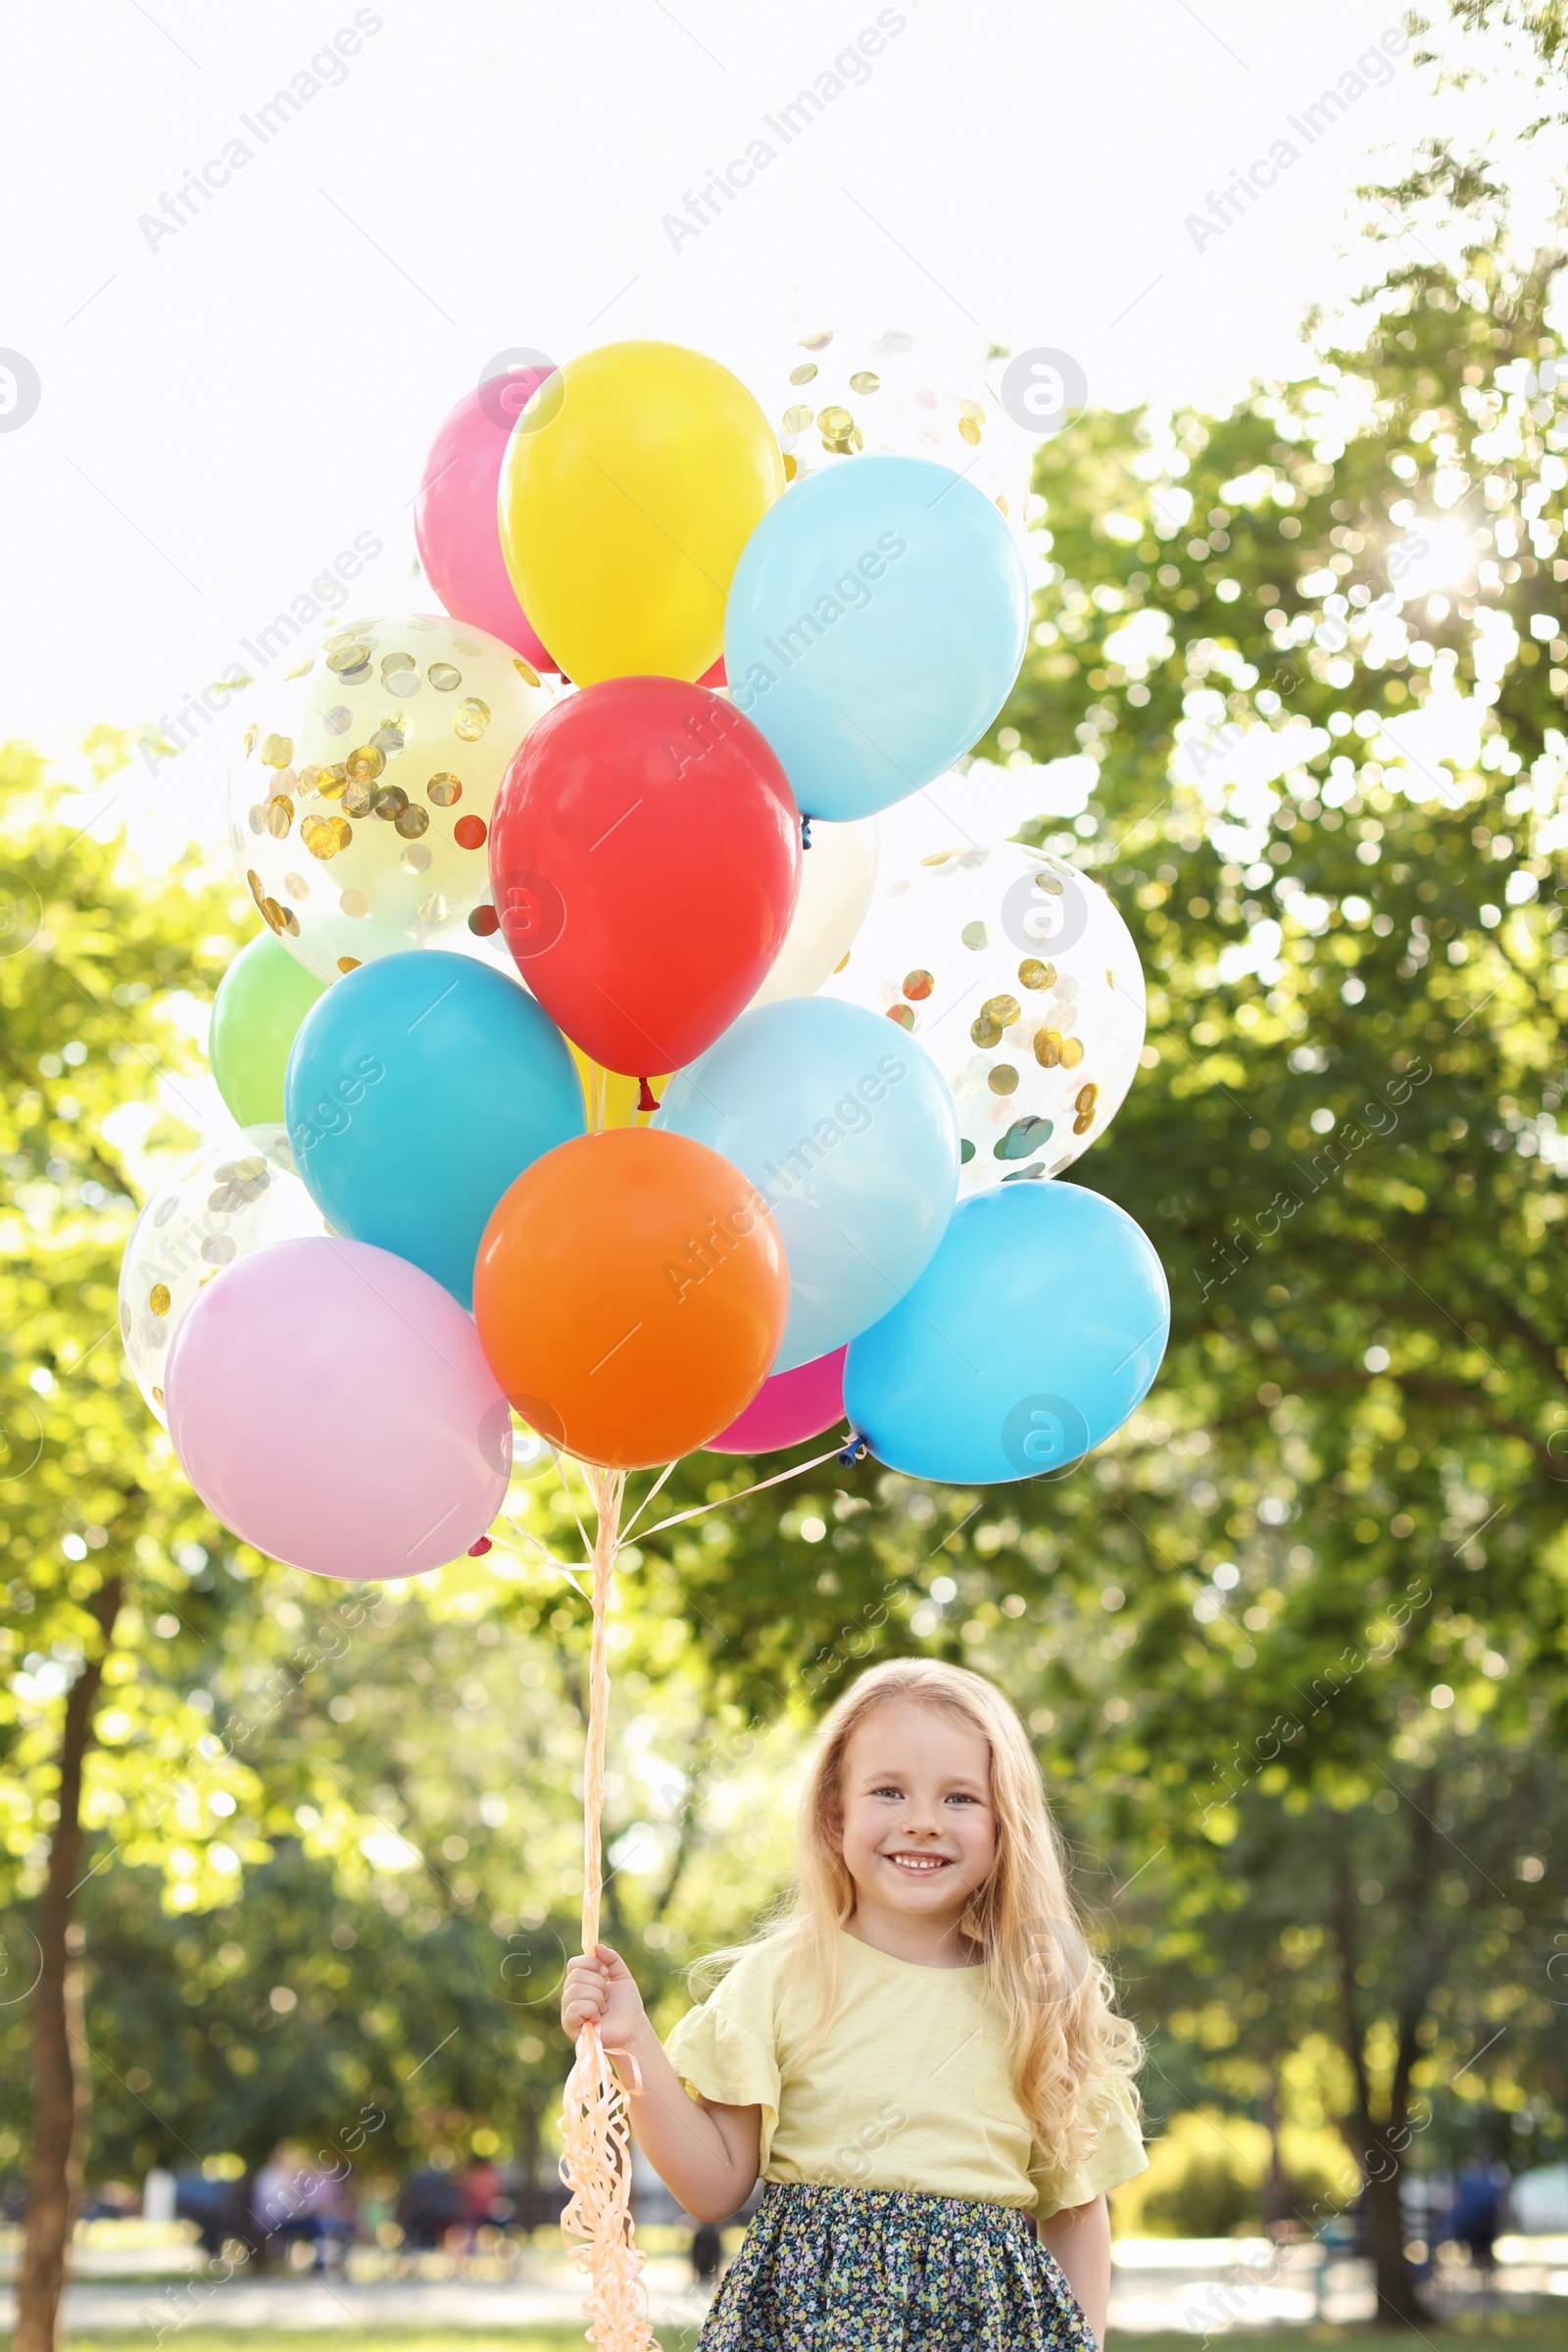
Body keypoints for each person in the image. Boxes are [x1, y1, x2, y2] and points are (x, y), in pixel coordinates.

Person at [564, 1658, 1146, 2350]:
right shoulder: (781, 1978)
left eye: (960, 1798)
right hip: (805, 2328)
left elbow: (1076, 2212)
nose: (923, 1822)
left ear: (1004, 1824)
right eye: (889, 1792)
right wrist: (631, 2043)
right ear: (835, 1817)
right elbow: (715, 2186)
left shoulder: (1038, 1996)